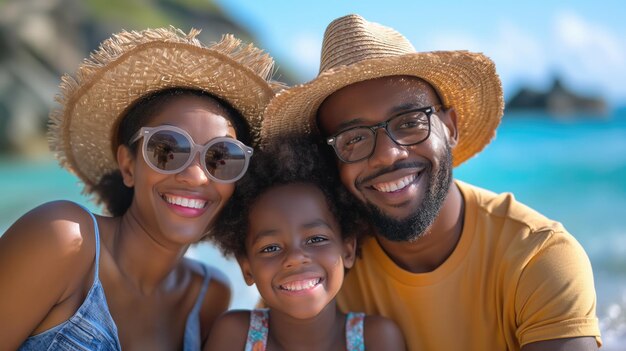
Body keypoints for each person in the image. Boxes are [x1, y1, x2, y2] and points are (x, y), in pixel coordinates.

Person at [261, 14, 601, 351]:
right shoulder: (317, 264)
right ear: (330, 161)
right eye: (354, 139)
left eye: (409, 123)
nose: (388, 155)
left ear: (450, 128)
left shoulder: (536, 258)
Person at [0, 27, 279, 350]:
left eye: (221, 158)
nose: (196, 176)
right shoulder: (62, 239)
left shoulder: (209, 296)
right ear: (128, 165)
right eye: (167, 149)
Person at [204, 137, 406, 351]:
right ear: (247, 267)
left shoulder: (377, 338)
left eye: (316, 239)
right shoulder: (235, 334)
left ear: (347, 250)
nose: (295, 257)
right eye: (270, 248)